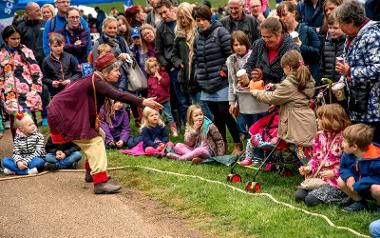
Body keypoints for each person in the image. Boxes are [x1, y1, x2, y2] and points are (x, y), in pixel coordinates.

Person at [46, 53, 163, 194]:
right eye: (116, 71)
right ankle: (100, 183)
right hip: (63, 114)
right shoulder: (97, 81)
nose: (119, 74)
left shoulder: (97, 78)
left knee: (99, 135)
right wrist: (143, 101)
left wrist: (118, 59)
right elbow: (118, 95)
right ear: (106, 72)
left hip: (65, 112)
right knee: (94, 142)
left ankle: (91, 173)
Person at [249, 50, 317, 165]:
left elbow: (272, 98)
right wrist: (275, 86)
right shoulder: (305, 79)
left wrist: (255, 92)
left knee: (303, 154)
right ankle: (311, 172)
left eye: (283, 68)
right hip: (304, 119)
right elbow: (293, 90)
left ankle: (312, 174)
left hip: (295, 123)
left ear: (289, 68)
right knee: (305, 151)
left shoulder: (289, 83)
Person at [193, 5, 243, 155]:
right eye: (198, 20)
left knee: (225, 113)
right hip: (206, 83)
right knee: (216, 117)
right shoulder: (198, 36)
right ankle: (222, 145)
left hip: (221, 81)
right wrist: (198, 74)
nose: (201, 23)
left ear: (209, 18)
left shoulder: (220, 31)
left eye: (203, 19)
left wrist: (223, 71)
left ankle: (237, 144)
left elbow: (230, 55)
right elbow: (197, 59)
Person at [334, 0, 380, 144]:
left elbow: (377, 68)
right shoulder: (351, 37)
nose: (340, 28)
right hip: (358, 105)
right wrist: (342, 78)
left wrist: (350, 71)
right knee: (361, 147)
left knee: (374, 147)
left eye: (341, 24)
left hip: (373, 107)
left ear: (351, 22)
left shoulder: (372, 36)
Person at [295, 104, 351, 206]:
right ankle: (317, 193)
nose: (316, 120)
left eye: (320, 118)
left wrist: (335, 172)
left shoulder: (345, 139)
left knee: (310, 200)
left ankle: (346, 197)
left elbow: (351, 164)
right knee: (299, 196)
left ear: (332, 120)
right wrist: (309, 168)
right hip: (320, 179)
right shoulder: (318, 136)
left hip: (336, 182)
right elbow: (316, 158)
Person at [0, 26, 43, 138]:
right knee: (16, 122)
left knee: (30, 121)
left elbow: (36, 71)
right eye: (13, 38)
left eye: (18, 38)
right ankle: (19, 150)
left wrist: (35, 89)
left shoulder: (26, 51)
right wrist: (2, 90)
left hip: (28, 92)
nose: (16, 41)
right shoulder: (1, 55)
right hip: (10, 94)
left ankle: (35, 147)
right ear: (6, 39)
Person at [155, 0, 189, 127]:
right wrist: (169, 66)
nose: (163, 15)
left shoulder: (182, 22)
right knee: (181, 99)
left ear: (171, 9)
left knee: (192, 96)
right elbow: (158, 52)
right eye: (160, 14)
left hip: (188, 63)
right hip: (173, 68)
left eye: (165, 12)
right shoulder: (160, 28)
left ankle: (199, 123)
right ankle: (187, 126)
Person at [243, 17, 298, 85]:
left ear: (279, 34)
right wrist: (248, 75)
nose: (266, 40)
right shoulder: (258, 44)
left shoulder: (291, 48)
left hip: (282, 91)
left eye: (269, 37)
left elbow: (292, 75)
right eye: (263, 36)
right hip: (259, 88)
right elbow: (249, 64)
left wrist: (274, 88)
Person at [338, 123, 380, 211]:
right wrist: (349, 177)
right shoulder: (347, 153)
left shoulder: (376, 158)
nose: (342, 143)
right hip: (357, 186)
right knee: (341, 181)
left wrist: (361, 183)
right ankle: (360, 202)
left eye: (344, 141)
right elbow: (343, 167)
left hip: (370, 187)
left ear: (354, 147)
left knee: (377, 189)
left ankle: (378, 205)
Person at [277, 1, 321, 83]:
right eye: (280, 16)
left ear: (294, 13)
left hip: (308, 78)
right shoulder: (281, 34)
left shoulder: (307, 30)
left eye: (284, 15)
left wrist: (302, 46)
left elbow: (318, 53)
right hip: (289, 80)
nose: (282, 18)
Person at [226, 31, 255, 141]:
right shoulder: (231, 60)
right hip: (239, 97)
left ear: (246, 44)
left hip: (252, 94)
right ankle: (245, 144)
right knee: (241, 122)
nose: (239, 47)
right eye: (235, 45)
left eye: (241, 44)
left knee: (253, 123)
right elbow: (231, 82)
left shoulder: (253, 56)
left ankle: (255, 148)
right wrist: (232, 102)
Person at [145, 57, 177, 137]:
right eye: (152, 67)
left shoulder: (164, 74)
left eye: (156, 65)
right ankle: (160, 132)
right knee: (157, 117)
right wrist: (149, 100)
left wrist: (159, 77)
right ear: (149, 69)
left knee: (169, 116)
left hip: (165, 100)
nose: (155, 68)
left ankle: (174, 131)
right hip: (156, 102)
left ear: (159, 65)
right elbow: (149, 91)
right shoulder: (149, 79)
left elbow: (166, 83)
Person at [41, 33, 81, 97]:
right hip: (55, 93)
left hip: (70, 90)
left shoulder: (70, 57)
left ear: (63, 44)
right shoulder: (46, 61)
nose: (58, 48)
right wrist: (51, 82)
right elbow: (44, 78)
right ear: (50, 46)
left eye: (60, 45)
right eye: (55, 46)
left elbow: (78, 73)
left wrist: (70, 80)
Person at [320, 14, 346, 83]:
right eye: (330, 28)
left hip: (342, 85)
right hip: (328, 85)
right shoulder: (327, 44)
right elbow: (322, 67)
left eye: (335, 28)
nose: (331, 31)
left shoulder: (347, 44)